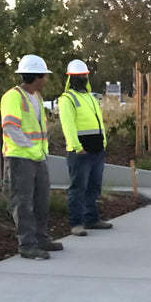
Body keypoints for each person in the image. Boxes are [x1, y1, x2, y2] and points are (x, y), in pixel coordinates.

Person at [1, 55, 63, 260]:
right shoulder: (13, 96)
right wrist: (32, 149)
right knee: (23, 202)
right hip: (20, 158)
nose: (46, 79)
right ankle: (27, 245)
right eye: (44, 75)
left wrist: (40, 152)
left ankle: (41, 238)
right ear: (36, 76)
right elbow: (11, 128)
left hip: (37, 157)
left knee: (41, 199)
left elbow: (38, 128)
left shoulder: (36, 97)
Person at [58, 59, 112, 236]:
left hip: (97, 149)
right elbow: (68, 125)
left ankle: (92, 219)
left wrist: (103, 143)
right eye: (78, 76)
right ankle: (76, 224)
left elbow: (99, 123)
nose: (82, 78)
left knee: (94, 187)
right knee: (78, 188)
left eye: (84, 75)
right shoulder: (67, 99)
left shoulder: (91, 98)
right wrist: (76, 146)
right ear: (71, 78)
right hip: (80, 151)